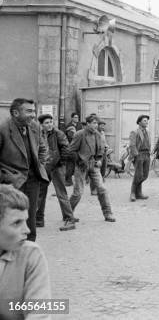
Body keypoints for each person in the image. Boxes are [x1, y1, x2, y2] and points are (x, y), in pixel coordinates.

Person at [0, 98, 48, 242]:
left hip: (33, 180)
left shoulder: (35, 127)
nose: (33, 115)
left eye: (33, 111)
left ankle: (29, 251)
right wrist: (4, 178)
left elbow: (43, 148)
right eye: (29, 111)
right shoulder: (3, 129)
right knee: (12, 218)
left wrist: (39, 165)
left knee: (30, 219)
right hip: (11, 182)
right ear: (15, 113)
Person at [0, 185, 51, 320]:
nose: (27, 230)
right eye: (17, 223)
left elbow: (39, 313)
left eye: (25, 221)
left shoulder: (31, 255)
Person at [68, 115, 116, 222]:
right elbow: (71, 150)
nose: (96, 125)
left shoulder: (98, 135)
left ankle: (108, 213)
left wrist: (98, 159)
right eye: (93, 123)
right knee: (78, 192)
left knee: (102, 189)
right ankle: (68, 213)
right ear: (88, 123)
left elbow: (101, 149)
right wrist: (80, 161)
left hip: (94, 166)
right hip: (81, 166)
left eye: (97, 123)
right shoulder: (79, 134)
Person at [35, 114, 75, 231]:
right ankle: (39, 219)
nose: (50, 125)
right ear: (41, 124)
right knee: (41, 193)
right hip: (44, 167)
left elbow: (66, 148)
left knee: (61, 193)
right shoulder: (39, 134)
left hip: (57, 167)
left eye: (51, 122)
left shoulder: (58, 133)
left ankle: (70, 219)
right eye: (47, 123)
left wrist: (61, 162)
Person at [129, 114, 152, 202]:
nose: (146, 122)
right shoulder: (135, 132)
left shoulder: (147, 132)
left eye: (147, 121)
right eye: (144, 121)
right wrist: (136, 155)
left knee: (145, 175)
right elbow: (132, 145)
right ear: (139, 122)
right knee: (138, 175)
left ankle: (138, 193)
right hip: (139, 155)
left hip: (147, 155)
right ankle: (133, 193)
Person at [63, 112, 83, 187]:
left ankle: (77, 180)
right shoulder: (69, 126)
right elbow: (70, 137)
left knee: (77, 164)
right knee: (70, 164)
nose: (76, 119)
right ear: (72, 118)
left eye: (77, 117)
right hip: (71, 148)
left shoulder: (79, 125)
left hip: (78, 147)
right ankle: (68, 180)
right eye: (75, 117)